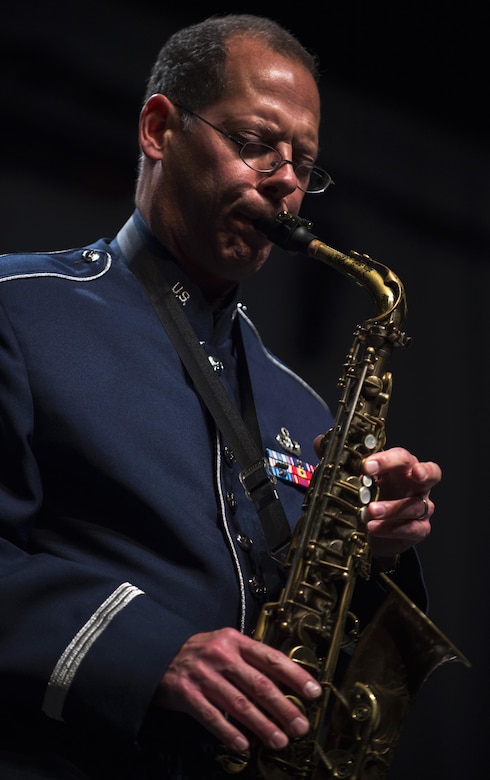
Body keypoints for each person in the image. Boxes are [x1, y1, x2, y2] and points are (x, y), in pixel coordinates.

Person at [0, 13, 441, 780]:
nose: (286, 181)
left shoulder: (304, 409)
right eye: (254, 142)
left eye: (304, 162)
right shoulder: (20, 307)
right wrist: (146, 653)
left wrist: (375, 547)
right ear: (159, 128)